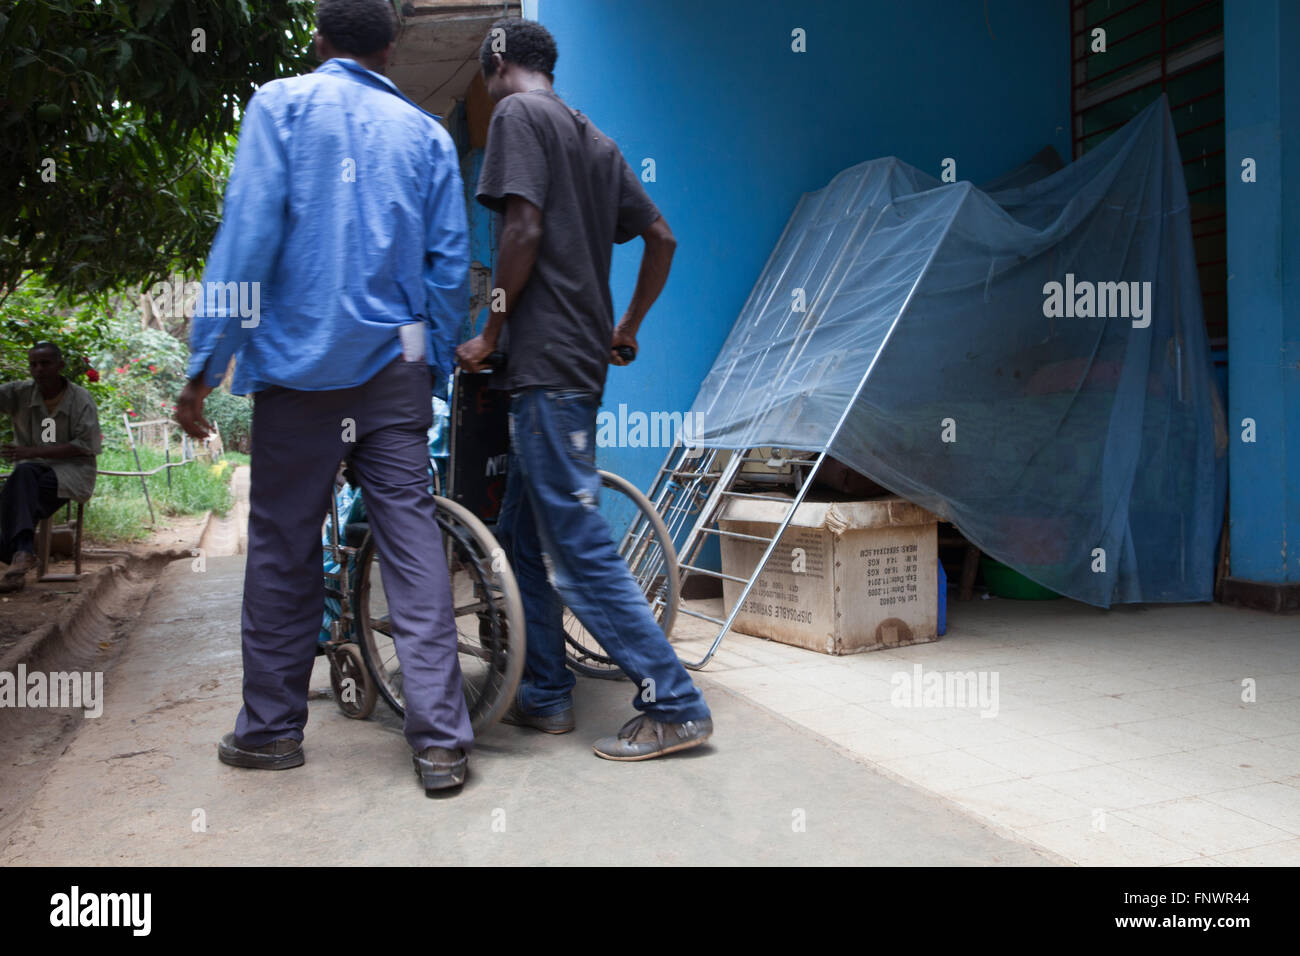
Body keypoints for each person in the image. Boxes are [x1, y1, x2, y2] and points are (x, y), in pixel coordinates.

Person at [175, 0, 473, 793]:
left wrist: (207, 364)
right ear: (393, 44)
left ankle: (271, 732)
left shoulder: (282, 104)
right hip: (393, 374)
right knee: (413, 548)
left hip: (298, 377)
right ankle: (441, 742)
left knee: (282, 548)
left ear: (320, 39)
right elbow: (448, 272)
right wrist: (431, 365)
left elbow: (248, 238)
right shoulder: (430, 137)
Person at [457, 18, 713, 761]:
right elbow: (661, 236)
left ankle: (676, 701)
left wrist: (491, 331)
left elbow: (523, 230)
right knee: (522, 543)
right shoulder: (595, 140)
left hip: (545, 364)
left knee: (574, 548)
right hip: (582, 362)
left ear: (499, 59)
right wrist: (626, 324)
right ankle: (544, 694)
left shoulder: (516, 114)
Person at [0, 343, 100, 592]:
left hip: (71, 471)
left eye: (45, 363)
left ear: (60, 366)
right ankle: (22, 555)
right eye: (33, 364)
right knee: (22, 482)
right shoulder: (20, 393)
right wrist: (31, 456)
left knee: (19, 487)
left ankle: (19, 552)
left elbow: (85, 445)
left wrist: (32, 452)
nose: (38, 370)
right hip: (31, 472)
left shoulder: (80, 399)